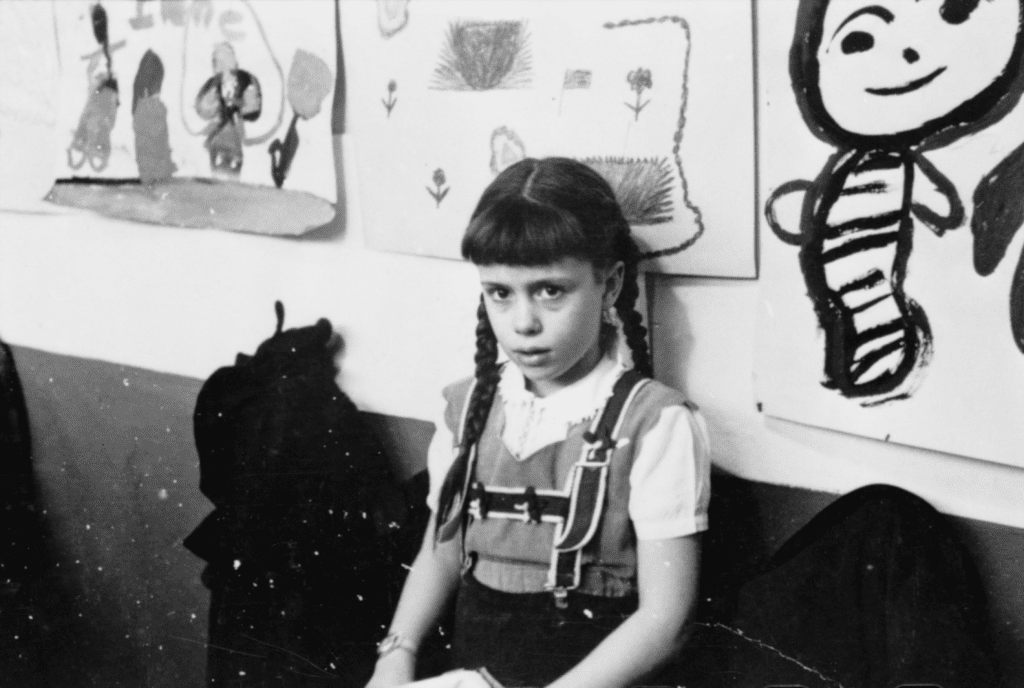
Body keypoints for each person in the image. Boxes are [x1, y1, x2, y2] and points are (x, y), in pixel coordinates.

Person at [366, 157, 711, 688]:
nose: (523, 323)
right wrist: (398, 651)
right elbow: (442, 547)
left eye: (551, 290)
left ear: (610, 283)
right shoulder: (468, 406)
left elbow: (667, 622)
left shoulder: (656, 423)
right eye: (500, 293)